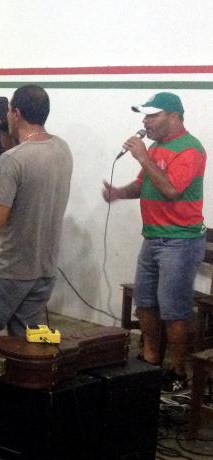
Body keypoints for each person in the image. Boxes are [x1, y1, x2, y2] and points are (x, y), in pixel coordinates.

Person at [0, 85, 72, 430]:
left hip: (6, 269)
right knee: (28, 341)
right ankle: (26, 412)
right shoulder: (61, 148)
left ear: (15, 112)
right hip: (43, 266)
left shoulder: (12, 161)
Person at [103, 92, 206, 393]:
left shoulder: (190, 149)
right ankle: (150, 360)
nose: (145, 122)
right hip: (153, 237)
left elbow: (172, 189)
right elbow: (145, 182)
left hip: (180, 241)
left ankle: (178, 373)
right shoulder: (157, 147)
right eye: (144, 116)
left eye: (152, 116)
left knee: (174, 310)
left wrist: (144, 157)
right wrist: (119, 192)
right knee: (145, 303)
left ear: (174, 116)